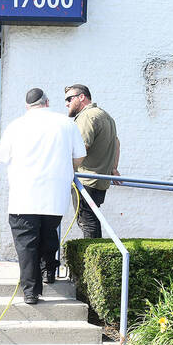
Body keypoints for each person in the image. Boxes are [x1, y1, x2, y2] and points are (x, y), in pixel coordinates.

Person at [0, 87, 85, 305]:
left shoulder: (17, 125)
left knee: (27, 245)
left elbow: (0, 156)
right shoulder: (66, 124)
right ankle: (48, 272)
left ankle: (31, 292)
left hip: (24, 196)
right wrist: (68, 170)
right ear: (47, 102)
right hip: (55, 196)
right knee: (49, 236)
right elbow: (79, 157)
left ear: (27, 106)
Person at [65, 84, 121, 239]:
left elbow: (82, 146)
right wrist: (113, 168)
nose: (66, 103)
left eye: (69, 99)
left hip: (86, 180)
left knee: (87, 222)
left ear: (81, 97)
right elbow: (116, 143)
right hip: (100, 181)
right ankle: (96, 257)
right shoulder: (105, 115)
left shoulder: (87, 116)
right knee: (92, 220)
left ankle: (93, 261)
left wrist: (67, 168)